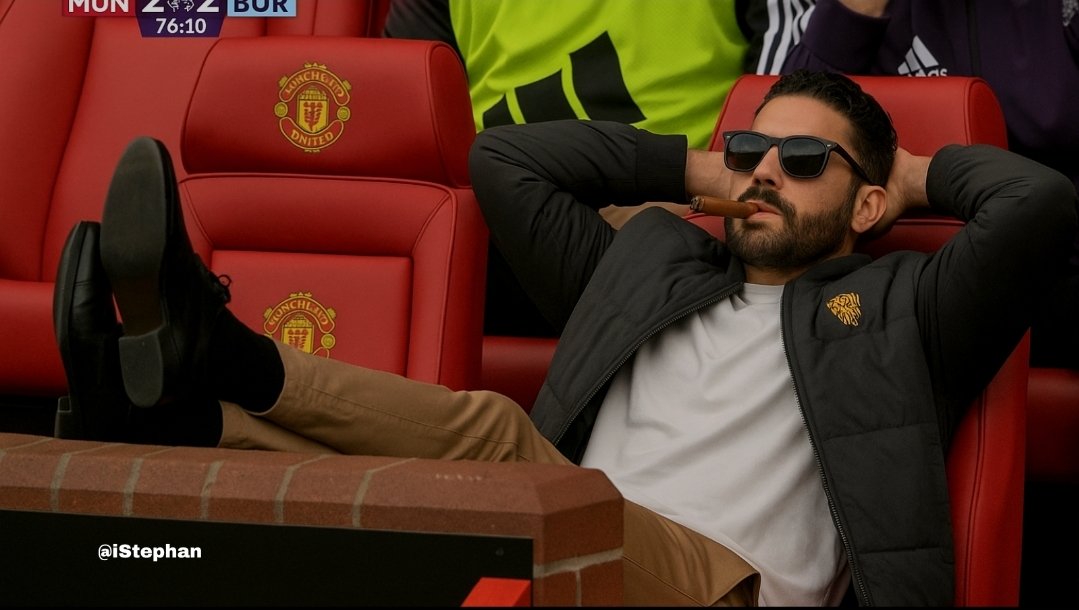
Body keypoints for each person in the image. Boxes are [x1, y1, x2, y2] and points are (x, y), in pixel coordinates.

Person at [55, 71, 1076, 606]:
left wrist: (907, 173)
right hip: (568, 550)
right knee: (442, 489)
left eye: (803, 158)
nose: (764, 170)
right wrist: (700, 170)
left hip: (723, 590)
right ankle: (188, 413)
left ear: (865, 203)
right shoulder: (651, 268)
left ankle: (223, 353)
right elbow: (504, 161)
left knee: (509, 453)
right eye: (750, 149)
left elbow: (1036, 205)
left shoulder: (907, 309)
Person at [382, 0, 795, 337]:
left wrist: (718, 181)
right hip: (501, 205)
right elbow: (403, 109)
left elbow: (791, 105)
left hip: (673, 205)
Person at [775, 0, 1079, 369]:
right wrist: (856, 11)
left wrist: (919, 177)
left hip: (1051, 270)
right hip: (890, 281)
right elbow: (789, 146)